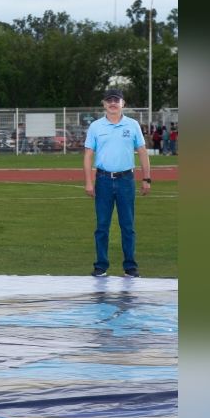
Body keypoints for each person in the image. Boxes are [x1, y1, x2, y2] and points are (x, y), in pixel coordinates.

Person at [83, 88, 151, 278]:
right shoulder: (96, 126)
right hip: (103, 180)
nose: (113, 103)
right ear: (104, 104)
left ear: (123, 104)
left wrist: (146, 178)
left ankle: (130, 266)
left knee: (127, 225)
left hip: (126, 181)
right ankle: (101, 265)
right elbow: (88, 155)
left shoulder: (133, 125)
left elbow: (143, 152)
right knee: (102, 225)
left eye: (116, 100)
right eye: (109, 100)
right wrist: (89, 182)